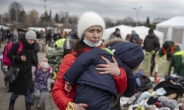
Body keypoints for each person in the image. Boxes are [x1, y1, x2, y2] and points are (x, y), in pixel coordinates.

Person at [52, 11, 128, 110]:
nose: (96, 36)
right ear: (83, 33)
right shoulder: (71, 58)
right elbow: (57, 90)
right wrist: (71, 106)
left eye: (99, 31)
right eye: (91, 31)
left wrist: (118, 73)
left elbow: (122, 90)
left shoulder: (110, 56)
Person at [63, 39, 144, 110]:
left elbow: (81, 61)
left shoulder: (98, 52)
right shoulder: (124, 69)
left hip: (83, 91)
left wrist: (69, 80)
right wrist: (120, 73)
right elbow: (130, 91)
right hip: (103, 99)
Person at [7, 30, 39, 110]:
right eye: (31, 40)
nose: (32, 42)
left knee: (28, 91)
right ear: (27, 38)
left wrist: (36, 63)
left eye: (33, 40)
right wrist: (19, 58)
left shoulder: (32, 46)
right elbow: (9, 55)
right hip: (18, 73)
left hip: (27, 73)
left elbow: (31, 57)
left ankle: (28, 107)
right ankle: (11, 104)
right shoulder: (18, 44)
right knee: (16, 92)